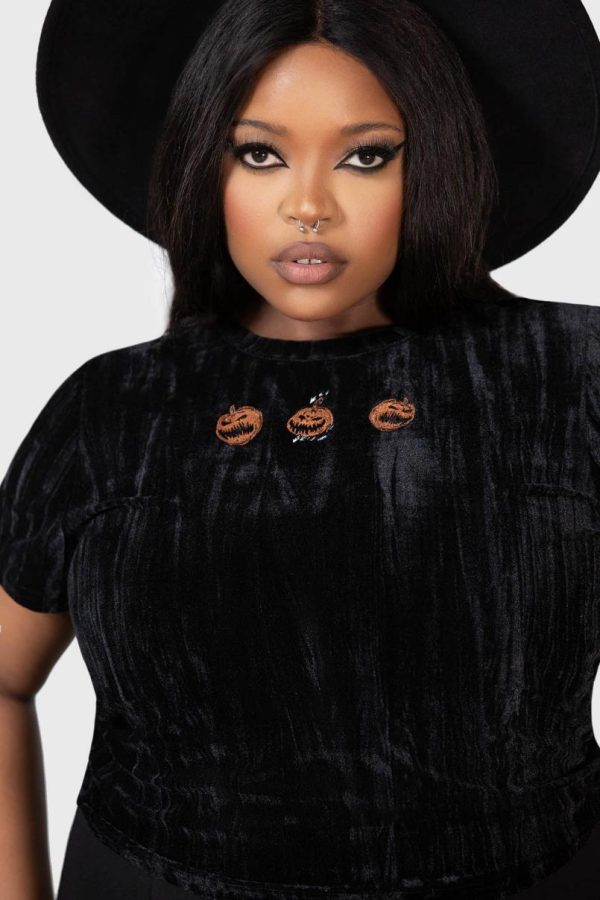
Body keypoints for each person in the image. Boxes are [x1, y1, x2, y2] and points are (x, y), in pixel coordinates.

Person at [2, 0, 600, 897]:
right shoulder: (114, 409)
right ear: (204, 165)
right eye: (259, 154)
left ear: (436, 159)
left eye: (366, 156)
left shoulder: (572, 378)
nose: (309, 205)